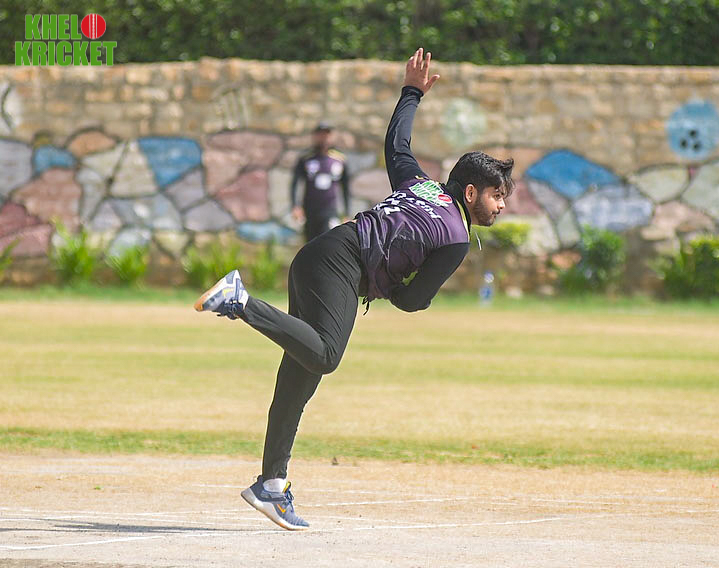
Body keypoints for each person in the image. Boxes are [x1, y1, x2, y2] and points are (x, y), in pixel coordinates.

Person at [194, 48, 514, 531]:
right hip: (342, 266)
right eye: (497, 195)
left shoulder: (421, 185)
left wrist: (411, 93)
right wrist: (398, 287)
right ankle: (240, 301)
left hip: (319, 253)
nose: (502, 205)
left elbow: (397, 145)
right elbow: (412, 300)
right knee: (324, 356)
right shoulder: (456, 237)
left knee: (299, 379)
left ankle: (272, 484)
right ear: (471, 193)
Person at [290, 121, 350, 241]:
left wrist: (346, 212)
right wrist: (295, 206)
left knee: (327, 240)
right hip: (310, 209)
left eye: (326, 134)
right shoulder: (306, 158)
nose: (324, 138)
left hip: (330, 209)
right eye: (320, 134)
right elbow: (295, 183)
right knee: (310, 242)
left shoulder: (339, 159)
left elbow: (346, 187)